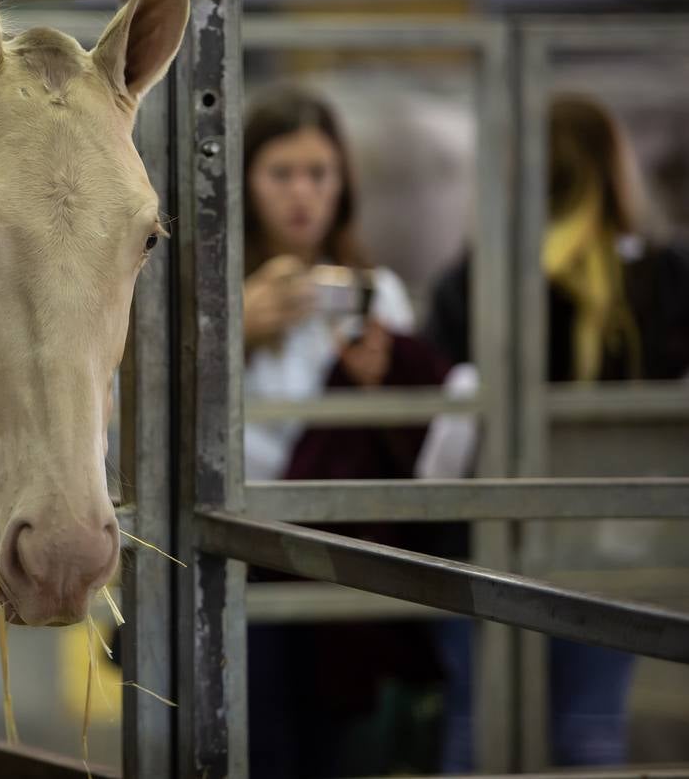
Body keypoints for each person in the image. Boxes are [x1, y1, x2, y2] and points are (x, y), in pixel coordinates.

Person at [424, 93, 689, 770]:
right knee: (588, 739)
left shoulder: (479, 277)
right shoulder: (660, 280)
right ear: (611, 166)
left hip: (483, 544)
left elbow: (442, 412)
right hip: (608, 549)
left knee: (477, 738)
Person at [241, 86, 455, 778]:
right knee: (257, 740)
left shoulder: (379, 291)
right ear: (245, 181)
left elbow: (423, 434)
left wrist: (380, 383)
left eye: (318, 173)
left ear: (343, 184)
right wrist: (229, 330)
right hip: (242, 554)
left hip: (344, 560)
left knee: (337, 748)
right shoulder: (210, 288)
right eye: (281, 174)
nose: (301, 194)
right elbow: (148, 413)